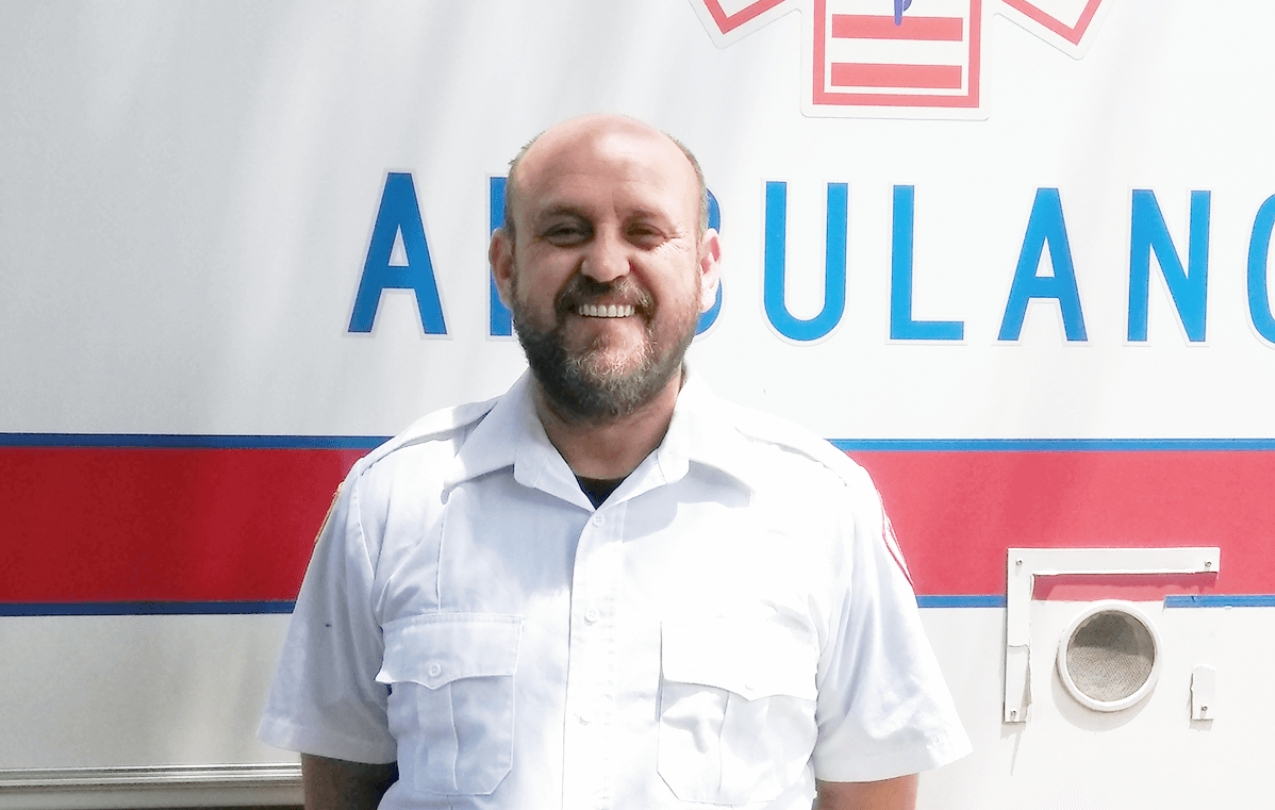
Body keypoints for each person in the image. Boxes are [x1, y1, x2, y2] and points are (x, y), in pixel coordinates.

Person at [259, 113, 970, 810]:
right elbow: (343, 784)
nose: (604, 265)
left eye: (644, 231)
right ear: (505, 268)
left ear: (705, 267)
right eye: (566, 231)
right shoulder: (392, 503)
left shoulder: (820, 509)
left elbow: (870, 790)